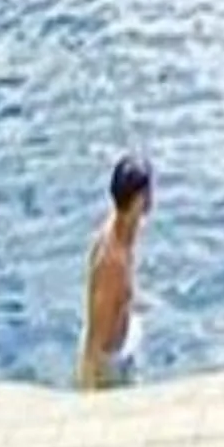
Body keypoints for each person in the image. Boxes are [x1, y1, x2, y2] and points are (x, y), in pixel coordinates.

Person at [77, 154, 150, 391]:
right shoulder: (112, 262)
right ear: (137, 200)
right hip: (110, 366)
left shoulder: (124, 227)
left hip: (124, 340)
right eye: (147, 193)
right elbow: (96, 338)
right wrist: (89, 386)